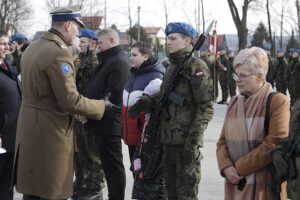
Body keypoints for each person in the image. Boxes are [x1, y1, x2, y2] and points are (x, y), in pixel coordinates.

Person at [14, 6, 114, 200]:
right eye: (77, 28)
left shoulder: (33, 46)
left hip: (29, 128)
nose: (78, 33)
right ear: (68, 25)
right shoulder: (59, 53)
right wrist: (102, 106)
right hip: (50, 131)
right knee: (53, 191)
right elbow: (70, 100)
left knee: (33, 191)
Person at [129, 22, 214, 200]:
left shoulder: (196, 67)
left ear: (187, 41)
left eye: (173, 38)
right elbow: (165, 94)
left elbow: (205, 107)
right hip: (166, 141)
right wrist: (147, 102)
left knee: (186, 194)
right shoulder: (172, 67)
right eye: (168, 38)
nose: (168, 42)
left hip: (185, 144)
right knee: (169, 192)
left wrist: (193, 142)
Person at [216, 47, 289, 199]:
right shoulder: (234, 102)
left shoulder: (277, 101)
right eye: (236, 76)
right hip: (235, 183)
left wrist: (239, 168)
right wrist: (226, 167)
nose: (237, 81)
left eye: (242, 76)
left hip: (265, 188)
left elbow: (275, 143)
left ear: (260, 76)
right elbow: (222, 142)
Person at [84, 28, 130, 200]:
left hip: (109, 123)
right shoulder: (109, 59)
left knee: (113, 167)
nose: (98, 46)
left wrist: (88, 111)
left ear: (112, 40)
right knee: (109, 167)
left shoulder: (118, 61)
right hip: (102, 121)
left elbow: (112, 96)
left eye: (101, 43)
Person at [122, 42, 165, 199]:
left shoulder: (155, 78)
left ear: (146, 56)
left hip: (144, 141)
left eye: (134, 55)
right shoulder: (134, 73)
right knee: (136, 177)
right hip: (131, 138)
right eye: (130, 54)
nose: (130, 58)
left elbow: (153, 114)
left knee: (146, 181)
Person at [72, 28, 106, 200]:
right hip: (79, 112)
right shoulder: (81, 61)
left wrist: (87, 111)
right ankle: (88, 184)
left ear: (93, 44)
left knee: (93, 153)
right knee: (83, 151)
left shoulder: (95, 63)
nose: (80, 44)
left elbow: (95, 91)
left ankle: (96, 187)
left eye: (83, 41)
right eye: (80, 41)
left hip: (88, 113)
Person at [0, 30, 21, 200]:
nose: (7, 47)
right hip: (1, 137)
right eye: (2, 43)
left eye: (8, 43)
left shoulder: (7, 67)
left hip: (12, 136)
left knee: (8, 183)